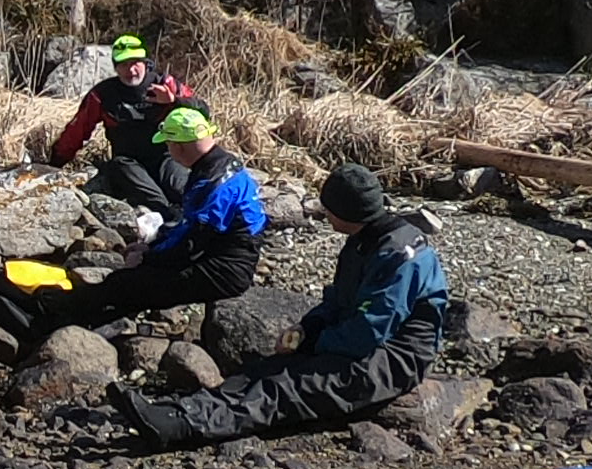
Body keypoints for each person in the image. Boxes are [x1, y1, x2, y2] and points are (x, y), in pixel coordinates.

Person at [115, 163, 449, 449]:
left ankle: (182, 428)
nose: (325, 214)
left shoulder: (399, 255)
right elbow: (339, 300)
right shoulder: (365, 240)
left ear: (348, 212)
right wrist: (308, 328)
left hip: (395, 357)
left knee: (286, 387)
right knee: (263, 370)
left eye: (328, 209)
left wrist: (316, 342)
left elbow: (369, 331)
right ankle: (176, 410)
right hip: (357, 338)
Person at [28, 105, 263, 336]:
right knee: (136, 279)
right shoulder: (223, 164)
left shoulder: (212, 184)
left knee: (129, 283)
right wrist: (152, 247)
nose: (167, 149)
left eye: (168, 143)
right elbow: (189, 229)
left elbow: (190, 245)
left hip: (226, 270)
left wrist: (147, 258)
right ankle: (96, 317)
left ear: (179, 146)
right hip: (224, 254)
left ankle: (61, 314)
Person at [47, 33, 204, 217]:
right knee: (153, 198)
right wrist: (54, 164)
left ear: (146, 63)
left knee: (185, 191)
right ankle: (168, 218)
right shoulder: (103, 94)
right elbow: (77, 131)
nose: (131, 70)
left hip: (165, 157)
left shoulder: (165, 84)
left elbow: (202, 112)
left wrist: (174, 101)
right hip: (128, 163)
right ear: (115, 68)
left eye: (135, 63)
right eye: (123, 64)